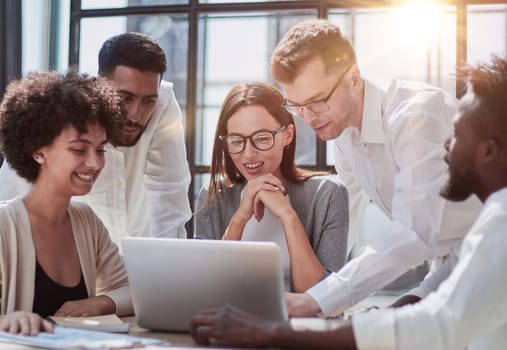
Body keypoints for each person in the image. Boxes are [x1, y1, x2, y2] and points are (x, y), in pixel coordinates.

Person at [191, 55, 507, 350]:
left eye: (456, 132)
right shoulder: (490, 222)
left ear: (488, 151)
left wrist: (275, 328)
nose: (445, 144)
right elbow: (439, 287)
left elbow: (437, 321)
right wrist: (381, 314)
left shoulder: (502, 221)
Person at [261, 19, 482, 317]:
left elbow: (414, 232)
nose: (309, 118)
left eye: (317, 101)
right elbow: (345, 224)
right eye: (297, 106)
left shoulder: (415, 115)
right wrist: (309, 292)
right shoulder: (343, 135)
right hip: (451, 264)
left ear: (353, 76)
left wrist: (320, 299)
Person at [0, 32, 192, 245]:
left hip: (138, 264)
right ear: (98, 84)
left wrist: (166, 266)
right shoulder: (57, 114)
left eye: (148, 100)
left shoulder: (163, 104)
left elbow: (169, 189)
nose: (136, 114)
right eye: (125, 98)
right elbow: (8, 196)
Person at [0, 71, 133, 336]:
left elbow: (134, 289)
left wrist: (100, 303)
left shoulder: (86, 221)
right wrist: (6, 320)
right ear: (39, 151)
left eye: (100, 149)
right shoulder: (4, 226)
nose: (95, 163)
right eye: (79, 149)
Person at [195, 82, 349, 292]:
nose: (248, 154)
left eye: (262, 138)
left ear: (287, 135)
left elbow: (322, 300)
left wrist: (288, 216)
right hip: (232, 323)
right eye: (237, 141)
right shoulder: (214, 197)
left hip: (296, 325)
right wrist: (240, 217)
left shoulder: (327, 195)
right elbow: (206, 290)